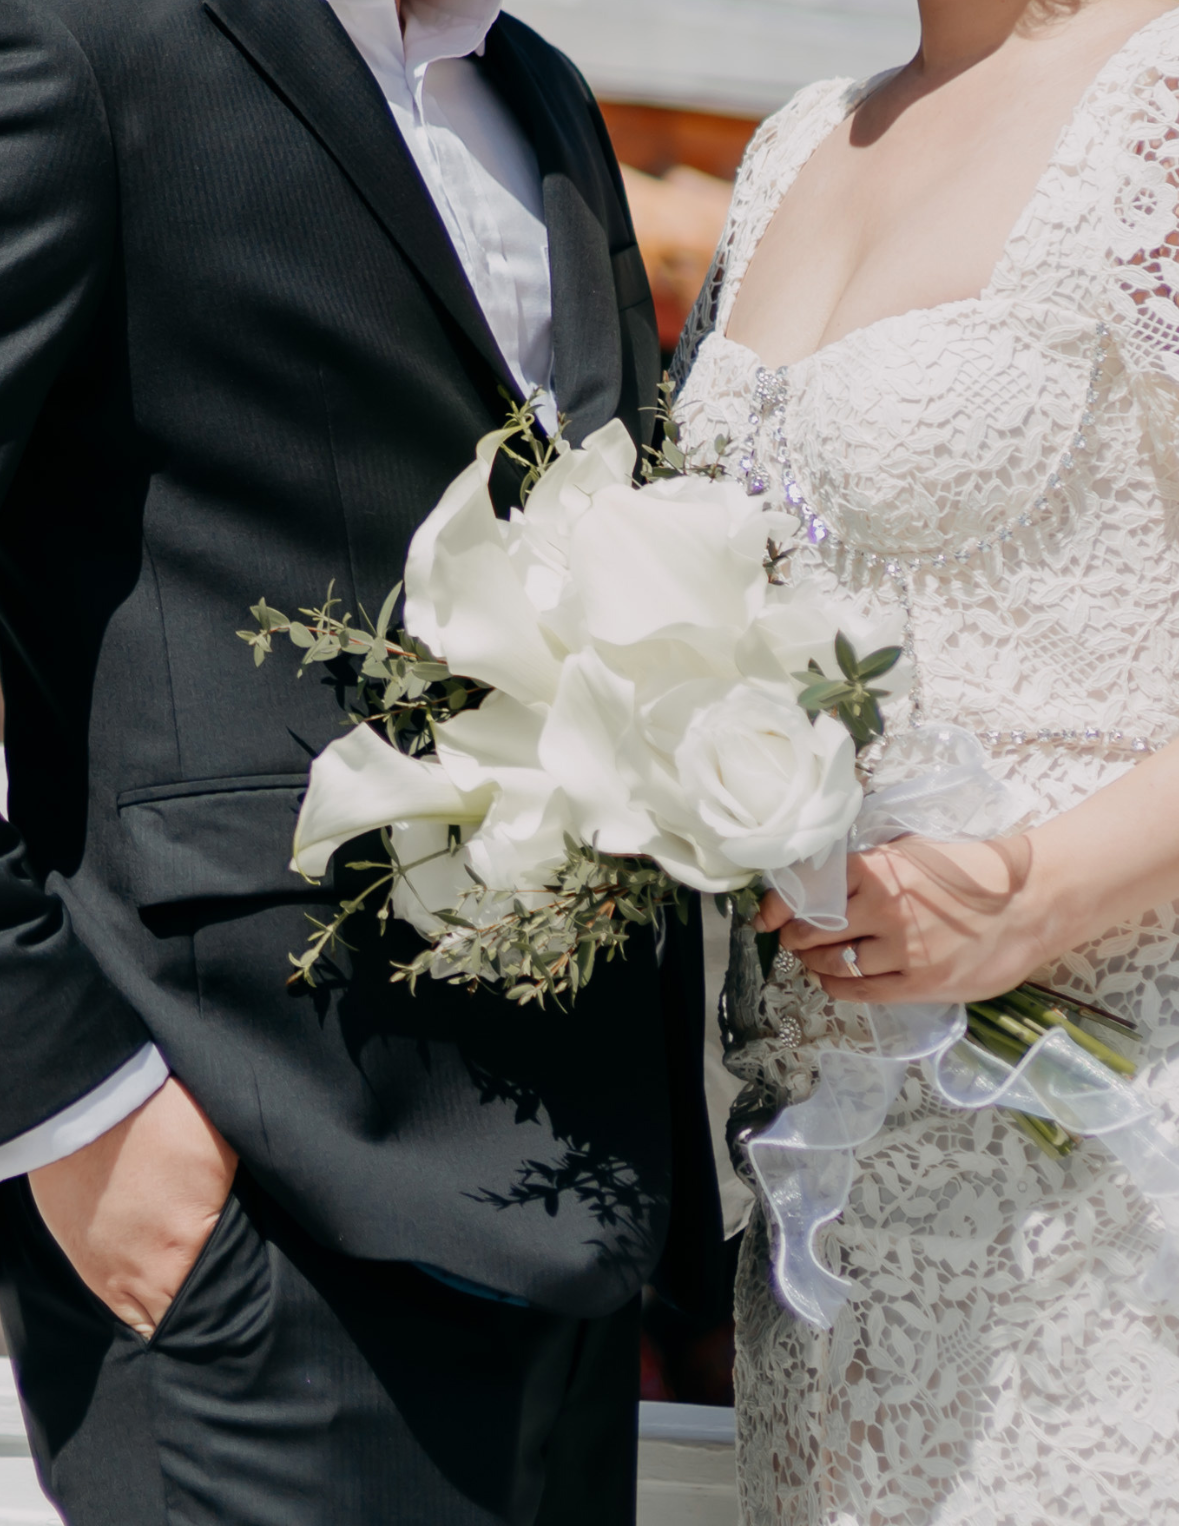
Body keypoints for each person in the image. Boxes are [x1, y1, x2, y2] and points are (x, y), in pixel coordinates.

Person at [0, 0, 722, 1520]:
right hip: (242, 1206)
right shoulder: (79, 41)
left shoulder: (544, 96)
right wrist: (71, 1110)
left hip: (578, 1232)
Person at [673, 0, 1179, 1520]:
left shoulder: (1157, 108)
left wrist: (1031, 894)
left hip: (1094, 1150)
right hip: (815, 1188)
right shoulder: (792, 141)